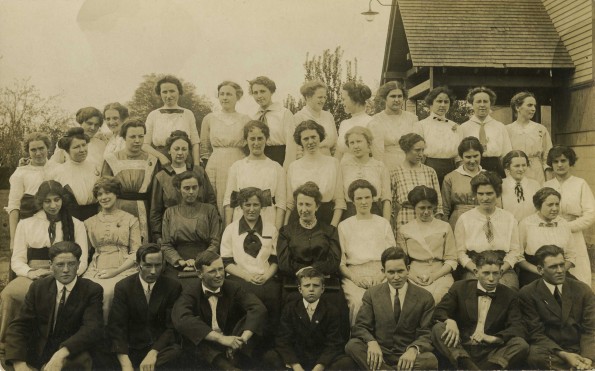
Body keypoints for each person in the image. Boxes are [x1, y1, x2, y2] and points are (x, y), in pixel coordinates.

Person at [0, 181, 88, 353]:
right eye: (47, 201)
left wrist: (67, 273)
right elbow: (17, 259)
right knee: (10, 294)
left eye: (57, 200)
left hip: (66, 272)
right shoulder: (26, 224)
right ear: (40, 202)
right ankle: (6, 344)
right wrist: (30, 272)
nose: (53, 205)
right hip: (34, 274)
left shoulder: (76, 224)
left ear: (63, 200)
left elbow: (83, 258)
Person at [4, 241, 103, 371]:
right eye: (60, 265)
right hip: (38, 351)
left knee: (81, 363)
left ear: (78, 265)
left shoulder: (92, 290)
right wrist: (19, 364)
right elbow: (19, 325)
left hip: (71, 353)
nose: (66, 270)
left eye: (71, 264)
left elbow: (91, 329)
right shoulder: (38, 287)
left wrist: (60, 354)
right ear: (51, 266)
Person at [431, 250, 529, 370]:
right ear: (476, 272)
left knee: (520, 344)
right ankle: (468, 365)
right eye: (486, 273)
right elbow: (439, 311)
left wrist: (493, 338)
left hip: (491, 352)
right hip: (461, 347)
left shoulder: (509, 295)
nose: (491, 278)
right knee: (438, 328)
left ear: (501, 273)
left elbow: (517, 327)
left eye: (496, 273)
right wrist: (450, 321)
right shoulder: (460, 287)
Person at [345, 247, 438, 370]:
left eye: (400, 271)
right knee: (352, 346)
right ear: (383, 271)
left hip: (407, 356)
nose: (396, 277)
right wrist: (371, 343)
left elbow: (427, 332)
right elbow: (361, 326)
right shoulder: (372, 294)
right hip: (380, 354)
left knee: (430, 360)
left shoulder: (425, 297)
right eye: (391, 272)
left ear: (408, 269)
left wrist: (413, 350)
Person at [172, 251, 267, 370]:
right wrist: (221, 339)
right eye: (212, 271)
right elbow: (181, 318)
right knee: (192, 336)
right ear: (199, 274)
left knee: (252, 320)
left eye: (221, 269)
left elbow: (257, 307)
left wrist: (241, 339)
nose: (219, 275)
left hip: (232, 339)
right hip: (207, 342)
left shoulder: (233, 287)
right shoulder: (191, 291)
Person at [263, 267, 356, 371]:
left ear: (322, 289)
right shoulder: (290, 308)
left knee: (346, 363)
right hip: (297, 358)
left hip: (320, 360)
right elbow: (283, 340)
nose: (311, 289)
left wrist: (320, 366)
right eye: (307, 285)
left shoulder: (332, 310)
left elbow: (334, 343)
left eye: (316, 286)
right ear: (300, 289)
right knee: (270, 357)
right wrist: (295, 365)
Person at [220, 187, 281, 346]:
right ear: (240, 206)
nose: (251, 209)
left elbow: (275, 260)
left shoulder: (271, 229)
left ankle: (266, 346)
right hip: (239, 279)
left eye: (256, 205)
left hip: (265, 279)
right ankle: (239, 345)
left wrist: (266, 276)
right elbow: (226, 262)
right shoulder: (231, 229)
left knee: (274, 296)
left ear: (262, 206)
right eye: (247, 205)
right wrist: (247, 276)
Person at [108, 244, 183, 371]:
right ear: (138, 266)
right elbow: (117, 326)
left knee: (176, 351)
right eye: (148, 265)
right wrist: (125, 363)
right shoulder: (123, 287)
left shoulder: (172, 286)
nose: (153, 271)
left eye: (158, 265)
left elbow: (171, 327)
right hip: (131, 348)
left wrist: (153, 353)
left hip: (159, 349)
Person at [519, 245, 595, 370]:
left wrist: (588, 357)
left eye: (562, 265)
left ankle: (583, 365)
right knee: (535, 356)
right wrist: (565, 355)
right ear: (540, 269)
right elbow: (535, 333)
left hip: (580, 346)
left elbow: (591, 328)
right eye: (553, 267)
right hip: (552, 350)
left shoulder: (582, 289)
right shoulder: (528, 293)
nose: (560, 270)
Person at [83, 177, 141, 321]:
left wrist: (115, 272)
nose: (104, 197)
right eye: (100, 194)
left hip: (123, 268)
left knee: (108, 292)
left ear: (116, 194)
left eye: (108, 192)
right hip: (96, 268)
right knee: (85, 292)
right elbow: (84, 253)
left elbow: (136, 253)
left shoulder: (130, 219)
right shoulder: (89, 222)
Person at [338, 180, 395, 324]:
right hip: (354, 275)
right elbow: (341, 263)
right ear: (352, 200)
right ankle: (358, 342)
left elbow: (392, 257)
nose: (364, 202)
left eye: (367, 197)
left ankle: (384, 342)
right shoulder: (344, 226)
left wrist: (382, 275)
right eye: (359, 198)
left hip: (382, 273)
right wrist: (354, 278)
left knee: (387, 300)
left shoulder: (383, 223)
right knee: (358, 302)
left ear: (373, 198)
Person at [455, 171, 520, 288]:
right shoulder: (465, 219)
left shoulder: (509, 218)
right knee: (475, 289)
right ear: (475, 194)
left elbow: (515, 251)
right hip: (475, 267)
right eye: (481, 194)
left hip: (502, 266)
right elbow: (460, 252)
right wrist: (475, 270)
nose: (485, 198)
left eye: (489, 193)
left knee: (507, 288)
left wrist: (501, 270)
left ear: (498, 194)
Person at [150, 130, 216, 243]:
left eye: (184, 149)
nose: (180, 153)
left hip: (199, 232)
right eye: (176, 149)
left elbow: (211, 201)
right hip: (172, 233)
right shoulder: (161, 176)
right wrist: (158, 237)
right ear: (169, 151)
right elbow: (155, 210)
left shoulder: (199, 172)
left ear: (188, 152)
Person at [544, 145, 594, 285]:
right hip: (550, 233)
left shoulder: (580, 184)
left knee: (578, 273)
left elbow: (590, 214)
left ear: (570, 162)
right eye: (555, 161)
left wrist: (568, 226)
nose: (560, 165)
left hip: (574, 234)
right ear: (551, 164)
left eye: (563, 160)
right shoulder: (546, 185)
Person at [160, 171, 221, 288]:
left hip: (205, 260)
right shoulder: (170, 212)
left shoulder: (210, 210)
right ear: (178, 189)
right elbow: (166, 245)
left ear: (200, 188)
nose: (191, 192)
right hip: (177, 262)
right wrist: (180, 261)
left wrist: (199, 260)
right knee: (173, 287)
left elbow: (215, 241)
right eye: (186, 188)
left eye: (194, 187)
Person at [397, 185, 456, 305]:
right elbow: (401, 262)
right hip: (413, 274)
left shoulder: (444, 227)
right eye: (421, 208)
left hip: (440, 273)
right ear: (414, 207)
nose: (426, 212)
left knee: (440, 296)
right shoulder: (404, 230)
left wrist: (434, 276)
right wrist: (412, 276)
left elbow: (452, 259)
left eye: (430, 207)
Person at [223, 120, 286, 230]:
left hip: (267, 221)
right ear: (246, 140)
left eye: (260, 138)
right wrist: (228, 230)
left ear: (266, 139)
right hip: (240, 221)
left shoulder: (276, 168)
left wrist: (276, 232)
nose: (256, 143)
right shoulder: (237, 167)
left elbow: (281, 204)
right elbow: (229, 201)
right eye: (252, 139)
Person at [102, 119, 158, 242]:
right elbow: (104, 191)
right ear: (124, 137)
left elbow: (155, 193)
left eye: (141, 136)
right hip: (118, 208)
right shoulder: (111, 159)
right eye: (132, 136)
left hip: (144, 209)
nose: (137, 141)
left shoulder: (152, 160)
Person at [200, 81, 251, 215]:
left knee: (236, 197)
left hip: (238, 161)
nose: (224, 97)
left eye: (229, 94)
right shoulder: (209, 118)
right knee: (215, 199)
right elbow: (204, 147)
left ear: (237, 97)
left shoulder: (245, 119)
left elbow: (250, 145)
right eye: (221, 94)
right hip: (215, 164)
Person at [285, 121, 346, 227]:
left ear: (320, 137)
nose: (310, 142)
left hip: (326, 219)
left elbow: (339, 201)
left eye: (314, 137)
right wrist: (285, 228)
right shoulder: (293, 166)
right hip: (298, 220)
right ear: (300, 141)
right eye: (306, 139)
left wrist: (332, 228)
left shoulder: (333, 163)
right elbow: (290, 203)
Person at [6, 132, 55, 250]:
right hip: (31, 224)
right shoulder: (20, 173)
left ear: (48, 147)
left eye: (41, 148)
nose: (38, 153)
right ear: (28, 151)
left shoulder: (57, 168)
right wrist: (13, 239)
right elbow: (14, 206)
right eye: (33, 150)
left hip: (56, 223)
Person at [518, 187, 575, 287]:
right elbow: (518, 256)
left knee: (581, 291)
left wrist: (559, 271)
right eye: (550, 205)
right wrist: (541, 271)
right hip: (534, 272)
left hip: (559, 271)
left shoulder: (564, 224)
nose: (555, 208)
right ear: (538, 206)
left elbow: (571, 255)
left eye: (557, 204)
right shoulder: (526, 224)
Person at [143, 75, 200, 166]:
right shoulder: (153, 115)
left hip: (184, 161)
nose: (168, 96)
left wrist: (197, 166)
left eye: (172, 91)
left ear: (179, 92)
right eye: (164, 92)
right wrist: (161, 157)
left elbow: (195, 143)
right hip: (160, 162)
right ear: (160, 93)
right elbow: (144, 144)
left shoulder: (188, 114)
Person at [391, 133, 443, 229]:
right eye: (417, 150)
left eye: (423, 150)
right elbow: (392, 205)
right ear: (406, 150)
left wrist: (438, 225)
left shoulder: (430, 171)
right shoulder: (395, 172)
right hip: (406, 219)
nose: (421, 154)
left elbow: (438, 203)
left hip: (428, 219)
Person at [340, 126, 391, 220]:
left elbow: (386, 198)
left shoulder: (379, 166)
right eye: (352, 143)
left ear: (368, 143)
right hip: (350, 214)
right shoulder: (343, 167)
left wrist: (386, 224)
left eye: (359, 141)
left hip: (374, 212)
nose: (356, 146)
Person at [50, 127, 100, 221]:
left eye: (84, 145)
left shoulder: (96, 168)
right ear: (67, 150)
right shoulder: (59, 172)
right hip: (71, 218)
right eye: (76, 147)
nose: (82, 150)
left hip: (96, 216)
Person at [459, 87, 511, 178]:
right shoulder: (463, 127)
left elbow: (507, 153)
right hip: (471, 167)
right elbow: (459, 155)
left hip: (495, 168)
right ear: (472, 104)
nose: (482, 105)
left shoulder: (500, 126)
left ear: (490, 104)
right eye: (478, 102)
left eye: (485, 101)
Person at [369, 81, 421, 172]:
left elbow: (418, 146)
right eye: (393, 96)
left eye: (400, 96)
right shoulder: (376, 121)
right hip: (387, 166)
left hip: (410, 166)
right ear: (385, 98)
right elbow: (377, 152)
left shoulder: (412, 119)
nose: (397, 100)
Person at [249, 76, 297, 169]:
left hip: (280, 158)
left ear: (271, 91)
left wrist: (287, 168)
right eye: (255, 93)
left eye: (262, 91)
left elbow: (292, 145)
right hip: (260, 160)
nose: (259, 96)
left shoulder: (284, 113)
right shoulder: (254, 117)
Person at [506, 91, 552, 184]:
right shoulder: (507, 129)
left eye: (534, 106)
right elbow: (504, 157)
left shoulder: (540, 129)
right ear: (518, 107)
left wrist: (549, 181)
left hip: (537, 171)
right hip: (516, 170)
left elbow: (547, 156)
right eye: (529, 105)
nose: (533, 109)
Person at [418, 86, 461, 186]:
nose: (443, 105)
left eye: (446, 102)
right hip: (429, 166)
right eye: (439, 101)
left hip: (451, 168)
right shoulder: (421, 125)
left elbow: (459, 155)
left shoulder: (455, 126)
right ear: (431, 103)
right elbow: (418, 151)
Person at [442, 137, 484, 230]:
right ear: (461, 157)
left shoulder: (488, 176)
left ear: (481, 155)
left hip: (483, 220)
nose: (472, 161)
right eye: (468, 157)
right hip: (459, 222)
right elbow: (445, 208)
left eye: (476, 156)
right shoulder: (450, 178)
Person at [294, 80, 337, 157]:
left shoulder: (329, 116)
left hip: (329, 163)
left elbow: (335, 144)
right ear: (308, 97)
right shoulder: (298, 117)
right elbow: (297, 149)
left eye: (325, 97)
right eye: (320, 97)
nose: (323, 100)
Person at [335, 81, 373, 161]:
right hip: (343, 170)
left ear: (354, 99)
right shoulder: (344, 124)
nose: (342, 103)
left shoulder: (371, 122)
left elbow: (376, 154)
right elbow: (339, 153)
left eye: (344, 99)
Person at [500, 150, 541, 222]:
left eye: (524, 165)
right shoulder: (501, 185)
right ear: (508, 167)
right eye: (517, 166)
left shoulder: (535, 185)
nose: (521, 169)